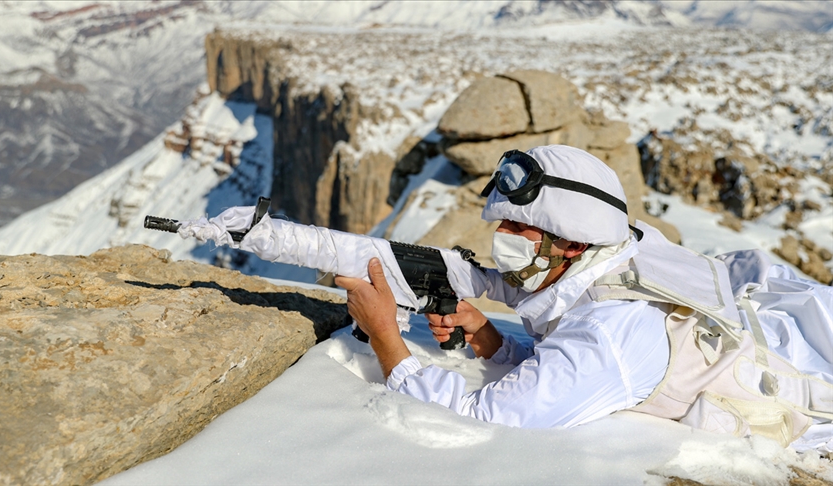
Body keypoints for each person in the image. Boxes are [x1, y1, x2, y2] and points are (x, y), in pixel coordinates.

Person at [334, 145, 832, 452]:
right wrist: (491, 339)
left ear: (571, 243)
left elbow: (481, 420)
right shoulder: (618, 258)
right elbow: (563, 363)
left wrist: (384, 335)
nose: (499, 234)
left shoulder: (606, 334)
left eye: (517, 226)